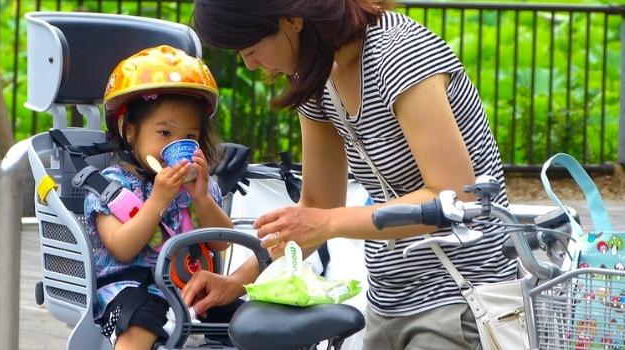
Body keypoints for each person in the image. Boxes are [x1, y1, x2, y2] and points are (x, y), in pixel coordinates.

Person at [182, 1, 518, 349]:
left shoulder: (399, 53)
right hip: (388, 301)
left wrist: (328, 222)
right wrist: (237, 282)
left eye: (251, 49)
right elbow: (318, 204)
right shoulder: (318, 75)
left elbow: (454, 198)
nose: (249, 64)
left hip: (461, 297)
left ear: (293, 18)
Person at [84, 45, 231, 350]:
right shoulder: (112, 187)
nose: (178, 145)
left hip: (190, 285)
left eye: (189, 137)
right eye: (165, 133)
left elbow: (222, 241)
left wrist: (202, 198)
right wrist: (157, 201)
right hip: (132, 286)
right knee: (141, 325)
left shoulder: (199, 186)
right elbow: (122, 248)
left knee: (243, 320)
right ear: (129, 130)